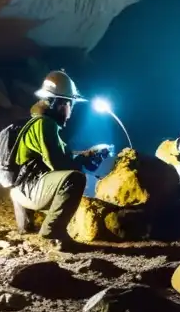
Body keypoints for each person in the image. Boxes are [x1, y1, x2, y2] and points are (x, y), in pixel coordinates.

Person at [8, 70, 109, 250]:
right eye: (71, 105)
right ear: (62, 103)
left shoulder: (34, 122)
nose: (70, 112)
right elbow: (59, 165)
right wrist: (83, 163)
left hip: (18, 190)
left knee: (67, 176)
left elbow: (59, 155)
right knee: (75, 179)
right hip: (29, 190)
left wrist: (86, 155)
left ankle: (26, 225)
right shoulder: (46, 125)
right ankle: (52, 233)